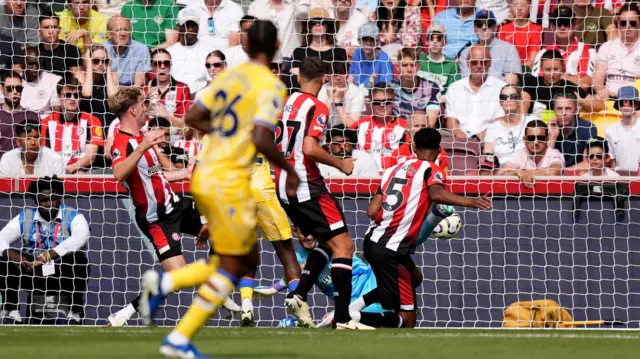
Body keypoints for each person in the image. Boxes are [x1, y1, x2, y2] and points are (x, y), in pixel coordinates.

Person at [138, 20, 301, 357]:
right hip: (230, 178)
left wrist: (225, 129)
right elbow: (260, 137)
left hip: (203, 173)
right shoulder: (271, 85)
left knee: (237, 261)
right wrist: (288, 168)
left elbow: (194, 117)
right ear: (275, 48)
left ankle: (168, 297)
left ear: (244, 47)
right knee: (233, 265)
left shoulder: (228, 77)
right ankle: (175, 330)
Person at [275, 57, 372, 331]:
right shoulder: (317, 106)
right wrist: (341, 163)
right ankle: (342, 319)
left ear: (299, 76)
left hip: (282, 186)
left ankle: (299, 295)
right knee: (344, 247)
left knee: (325, 244)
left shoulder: (286, 102)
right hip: (308, 185)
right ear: (323, 79)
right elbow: (309, 148)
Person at [362, 128, 491, 328]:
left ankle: (352, 307)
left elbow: (371, 211)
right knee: (407, 320)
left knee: (415, 278)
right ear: (440, 150)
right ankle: (347, 316)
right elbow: (437, 193)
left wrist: (393, 217)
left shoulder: (392, 170)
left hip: (373, 241)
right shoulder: (432, 169)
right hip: (391, 249)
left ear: (414, 147)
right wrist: (470, 201)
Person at [105, 87, 208, 328]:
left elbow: (156, 176)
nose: (146, 108)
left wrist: (185, 172)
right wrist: (143, 146)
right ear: (132, 109)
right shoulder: (122, 142)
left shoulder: (143, 136)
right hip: (156, 219)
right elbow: (119, 173)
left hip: (175, 205)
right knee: (178, 276)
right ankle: (125, 313)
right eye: (143, 104)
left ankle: (220, 294)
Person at [0, 176, 90, 324]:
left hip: (61, 272)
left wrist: (46, 256)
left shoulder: (73, 215)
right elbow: (1, 238)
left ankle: (74, 314)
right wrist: (12, 255)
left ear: (60, 198)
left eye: (53, 198)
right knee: (4, 259)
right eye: (43, 200)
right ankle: (11, 312)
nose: (49, 204)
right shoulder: (26, 216)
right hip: (32, 271)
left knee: (78, 260)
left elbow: (81, 237)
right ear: (36, 201)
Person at [41, 78, 104, 174]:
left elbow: (90, 157)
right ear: (58, 97)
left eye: (76, 95)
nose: (73, 99)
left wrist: (69, 169)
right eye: (68, 95)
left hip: (80, 169)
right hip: (53, 171)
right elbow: (44, 154)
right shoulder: (47, 122)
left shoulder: (92, 120)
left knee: (80, 174)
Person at [445, 45, 506, 139]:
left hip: (490, 140)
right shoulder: (454, 88)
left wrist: (478, 138)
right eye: (474, 62)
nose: (479, 66)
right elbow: (451, 119)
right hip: (459, 140)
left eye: (484, 62)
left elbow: (501, 121)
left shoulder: (501, 88)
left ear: (490, 63)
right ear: (467, 63)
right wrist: (458, 133)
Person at [520, 50, 604, 116]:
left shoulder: (569, 87)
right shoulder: (531, 82)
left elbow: (601, 106)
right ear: (541, 69)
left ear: (563, 69)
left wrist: (580, 101)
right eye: (548, 70)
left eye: (555, 69)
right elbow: (524, 104)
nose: (552, 74)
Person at [531, 7, 596, 90]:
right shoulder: (543, 53)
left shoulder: (588, 51)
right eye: (559, 23)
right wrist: (570, 79)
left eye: (566, 23)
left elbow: (585, 84)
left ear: (574, 26)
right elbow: (537, 82)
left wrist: (556, 77)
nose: (562, 27)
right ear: (552, 27)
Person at [350, 83, 410, 171]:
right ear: (370, 103)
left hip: (394, 176)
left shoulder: (405, 127)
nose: (382, 105)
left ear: (393, 102)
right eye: (377, 102)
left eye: (387, 102)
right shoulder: (359, 125)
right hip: (364, 177)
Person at [167, 7, 220, 96]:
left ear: (198, 27)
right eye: (186, 25)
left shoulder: (209, 52)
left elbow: (211, 82)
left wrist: (193, 98)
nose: (190, 29)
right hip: (173, 99)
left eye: (193, 25)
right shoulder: (169, 52)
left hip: (200, 100)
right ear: (179, 27)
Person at [458, 9, 521, 84]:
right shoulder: (466, 53)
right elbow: (466, 82)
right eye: (479, 24)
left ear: (495, 28)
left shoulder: (509, 49)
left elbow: (510, 85)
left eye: (489, 24)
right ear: (474, 28)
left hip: (499, 94)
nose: (484, 27)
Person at [497, 120, 565, 188]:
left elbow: (554, 172)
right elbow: (500, 174)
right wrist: (518, 172)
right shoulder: (519, 154)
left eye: (540, 138)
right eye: (531, 138)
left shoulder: (555, 154)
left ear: (547, 139)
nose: (536, 142)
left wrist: (525, 172)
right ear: (524, 140)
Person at [594, 3, 640, 99]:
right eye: (623, 23)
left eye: (632, 23)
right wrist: (600, 90)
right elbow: (597, 77)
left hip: (636, 99)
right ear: (618, 24)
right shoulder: (607, 47)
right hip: (609, 97)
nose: (627, 26)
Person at [483, 85, 536, 166]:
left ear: (520, 100)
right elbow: (487, 160)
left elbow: (545, 154)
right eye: (503, 97)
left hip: (527, 169)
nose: (508, 100)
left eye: (513, 97)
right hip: (500, 172)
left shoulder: (533, 122)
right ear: (500, 102)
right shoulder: (492, 127)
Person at [391, 47, 441, 128]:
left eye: (412, 65)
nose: (409, 69)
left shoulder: (431, 87)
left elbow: (430, 123)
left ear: (418, 67)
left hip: (423, 134)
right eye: (404, 65)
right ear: (397, 67)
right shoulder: (390, 88)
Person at [144, 49, 194, 129]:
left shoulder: (183, 88)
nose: (162, 67)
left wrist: (165, 115)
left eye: (166, 63)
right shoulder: (144, 89)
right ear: (152, 67)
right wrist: (147, 106)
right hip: (148, 135)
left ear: (170, 65)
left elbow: (186, 125)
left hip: (174, 136)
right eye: (158, 63)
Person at [548, 91, 598, 168]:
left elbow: (589, 163)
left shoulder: (588, 128)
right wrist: (552, 138)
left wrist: (562, 173)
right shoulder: (549, 127)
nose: (563, 113)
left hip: (579, 176)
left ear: (576, 110)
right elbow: (544, 162)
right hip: (554, 175)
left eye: (568, 108)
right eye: (559, 108)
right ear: (554, 110)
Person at [0, 120, 66, 177]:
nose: (33, 143)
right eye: (28, 139)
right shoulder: (8, 159)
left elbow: (61, 188)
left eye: (36, 137)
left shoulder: (54, 158)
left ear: (41, 140)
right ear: (18, 142)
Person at [0, 71, 40, 159]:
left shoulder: (33, 116)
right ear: (2, 89)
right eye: (10, 88)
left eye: (18, 88)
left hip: (27, 169)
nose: (15, 92)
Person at [103, 16, 150, 87]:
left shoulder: (141, 49)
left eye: (126, 30)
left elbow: (138, 84)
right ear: (109, 34)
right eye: (118, 30)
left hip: (133, 92)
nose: (122, 34)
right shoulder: (103, 49)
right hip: (109, 90)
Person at [80, 44, 119, 133]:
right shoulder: (81, 76)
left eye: (104, 61)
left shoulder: (112, 76)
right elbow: (86, 93)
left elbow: (113, 96)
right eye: (96, 61)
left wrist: (108, 67)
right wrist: (89, 66)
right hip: (86, 125)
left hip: (107, 123)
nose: (101, 64)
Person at [317, 61, 366, 127]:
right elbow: (318, 121)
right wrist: (330, 99)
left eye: (342, 73)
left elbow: (352, 126)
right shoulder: (321, 90)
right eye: (334, 74)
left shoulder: (357, 93)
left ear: (347, 75)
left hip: (349, 134)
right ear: (326, 76)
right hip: (327, 132)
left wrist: (338, 101)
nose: (338, 78)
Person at [418, 24, 460, 99]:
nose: (435, 42)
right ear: (427, 41)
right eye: (432, 38)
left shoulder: (451, 65)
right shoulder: (419, 59)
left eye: (439, 38)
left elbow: (454, 92)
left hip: (441, 105)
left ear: (444, 42)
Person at [497, 0, 542, 69]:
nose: (519, 8)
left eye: (523, 5)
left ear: (530, 7)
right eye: (515, 5)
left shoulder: (536, 29)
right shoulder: (502, 29)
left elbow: (532, 60)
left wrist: (516, 71)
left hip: (526, 72)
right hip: (506, 71)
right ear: (510, 7)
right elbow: (501, 58)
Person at [19, 47, 62, 116]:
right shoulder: (14, 81)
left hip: (44, 123)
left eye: (37, 64)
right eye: (31, 64)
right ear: (22, 64)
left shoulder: (54, 81)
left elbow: (56, 112)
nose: (35, 68)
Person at [605, 86, 640, 172]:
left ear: (637, 105)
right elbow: (612, 159)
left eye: (630, 102)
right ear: (618, 106)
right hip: (620, 178)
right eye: (622, 102)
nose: (626, 105)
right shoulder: (610, 130)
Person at [349, 23, 395, 87]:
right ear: (359, 41)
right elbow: (351, 77)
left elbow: (386, 88)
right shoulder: (357, 52)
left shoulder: (384, 60)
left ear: (378, 41)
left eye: (372, 40)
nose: (368, 43)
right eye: (365, 39)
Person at [38, 14, 83, 80]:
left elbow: (78, 79)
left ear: (59, 30)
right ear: (39, 32)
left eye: (54, 27)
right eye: (46, 27)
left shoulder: (71, 50)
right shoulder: (35, 52)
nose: (51, 31)